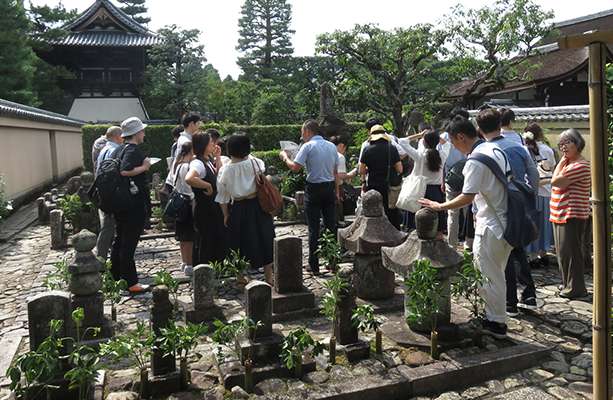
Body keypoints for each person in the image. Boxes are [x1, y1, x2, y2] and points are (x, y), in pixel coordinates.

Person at [419, 113, 512, 338]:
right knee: (496, 273)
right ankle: (494, 317)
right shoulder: (496, 150)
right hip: (506, 220)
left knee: (489, 275)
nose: (453, 147)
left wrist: (438, 206)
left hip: (491, 225)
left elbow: (466, 197)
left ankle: (496, 323)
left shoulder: (475, 159)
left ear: (461, 137)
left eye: (452, 141)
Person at [480, 109, 539, 316]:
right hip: (519, 202)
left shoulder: (484, 151)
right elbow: (534, 175)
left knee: (504, 254)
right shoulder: (519, 147)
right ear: (502, 124)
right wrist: (528, 195)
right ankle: (529, 295)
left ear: (479, 129)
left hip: (496, 206)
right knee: (518, 248)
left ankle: (510, 302)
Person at [280, 120, 338, 275]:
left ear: (307, 131)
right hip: (329, 187)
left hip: (314, 189)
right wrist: (337, 191)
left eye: (302, 132)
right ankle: (333, 262)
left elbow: (295, 168)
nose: (301, 135)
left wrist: (285, 157)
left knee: (314, 228)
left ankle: (314, 265)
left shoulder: (308, 146)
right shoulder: (332, 146)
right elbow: (335, 172)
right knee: (331, 226)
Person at [216, 134, 275, 283]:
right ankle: (269, 275)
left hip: (238, 207)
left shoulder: (225, 171)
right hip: (258, 205)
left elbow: (222, 197)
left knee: (237, 241)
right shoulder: (256, 162)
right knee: (265, 237)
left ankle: (240, 276)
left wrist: (225, 214)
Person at [110, 117, 151, 294]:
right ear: (136, 133)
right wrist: (145, 167)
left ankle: (116, 276)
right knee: (129, 243)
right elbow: (125, 170)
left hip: (120, 201)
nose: (144, 133)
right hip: (132, 204)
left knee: (120, 240)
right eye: (142, 131)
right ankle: (131, 282)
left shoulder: (118, 149)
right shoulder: (132, 150)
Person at [550, 128, 591, 299]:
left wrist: (561, 161)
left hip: (571, 214)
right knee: (563, 253)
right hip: (560, 213)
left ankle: (576, 289)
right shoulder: (568, 163)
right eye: (561, 144)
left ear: (578, 143)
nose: (563, 147)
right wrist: (563, 160)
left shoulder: (580, 165)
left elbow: (556, 181)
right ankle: (567, 284)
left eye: (567, 142)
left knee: (572, 253)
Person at [398, 129, 450, 237]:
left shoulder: (419, 155)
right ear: (437, 142)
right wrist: (435, 136)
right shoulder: (442, 155)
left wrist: (420, 135)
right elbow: (447, 144)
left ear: (424, 142)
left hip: (420, 191)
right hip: (436, 191)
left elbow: (402, 141)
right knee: (438, 222)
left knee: (418, 222)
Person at [186, 131, 227, 265]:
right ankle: (203, 270)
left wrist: (218, 158)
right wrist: (207, 185)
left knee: (215, 238)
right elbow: (190, 178)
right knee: (206, 240)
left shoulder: (207, 160)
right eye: (211, 142)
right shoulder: (197, 162)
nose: (213, 144)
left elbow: (218, 175)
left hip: (212, 208)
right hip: (205, 209)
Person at [523, 123, 555, 266]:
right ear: (541, 134)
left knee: (532, 224)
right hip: (547, 192)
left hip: (532, 192)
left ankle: (532, 255)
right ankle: (544, 253)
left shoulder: (524, 150)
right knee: (544, 225)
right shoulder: (548, 150)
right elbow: (552, 169)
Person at [360, 125, 403, 228]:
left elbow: (361, 170)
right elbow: (399, 169)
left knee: (375, 210)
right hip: (389, 185)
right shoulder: (391, 148)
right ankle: (394, 233)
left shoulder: (367, 149)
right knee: (391, 211)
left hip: (373, 185)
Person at [94, 126, 123, 260]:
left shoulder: (104, 149)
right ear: (117, 136)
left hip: (103, 191)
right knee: (108, 226)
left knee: (108, 225)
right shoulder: (113, 150)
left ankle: (105, 255)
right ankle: (101, 258)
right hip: (109, 193)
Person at [442, 109, 469, 247]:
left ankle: (452, 244)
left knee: (452, 214)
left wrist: (442, 180)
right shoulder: (468, 135)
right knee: (467, 210)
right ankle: (468, 242)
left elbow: (443, 162)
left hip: (451, 178)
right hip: (467, 175)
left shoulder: (444, 136)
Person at [172, 141, 195, 276]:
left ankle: (184, 262)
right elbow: (189, 188)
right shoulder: (187, 166)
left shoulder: (178, 165)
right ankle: (190, 264)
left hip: (179, 205)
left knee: (182, 237)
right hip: (187, 203)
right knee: (190, 236)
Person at [164, 112, 201, 191]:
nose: (199, 126)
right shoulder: (185, 141)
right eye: (198, 123)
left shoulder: (186, 138)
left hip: (178, 179)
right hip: (177, 182)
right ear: (191, 124)